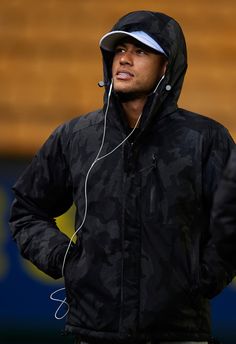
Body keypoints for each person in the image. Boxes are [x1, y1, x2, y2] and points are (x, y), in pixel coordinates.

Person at [9, 10, 235, 344]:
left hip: (179, 333)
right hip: (92, 332)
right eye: (119, 50)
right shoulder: (77, 136)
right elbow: (27, 209)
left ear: (166, 66)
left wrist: (204, 278)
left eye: (141, 51)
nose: (125, 59)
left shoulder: (205, 140)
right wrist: (65, 258)